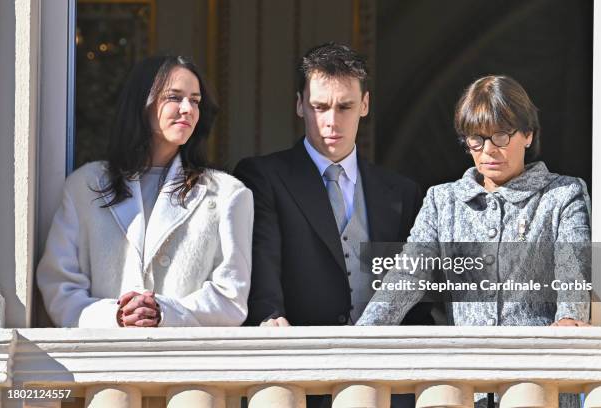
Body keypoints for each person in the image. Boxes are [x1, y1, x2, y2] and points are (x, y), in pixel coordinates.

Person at [357, 75, 590, 407]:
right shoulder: (443, 201)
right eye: (476, 140)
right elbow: (406, 276)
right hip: (466, 388)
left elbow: (573, 276)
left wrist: (569, 317)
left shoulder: (562, 195)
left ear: (528, 134)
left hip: (539, 386)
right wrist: (360, 336)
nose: (489, 150)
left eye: (500, 135)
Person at [37, 56, 253, 328]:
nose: (187, 109)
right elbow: (60, 285)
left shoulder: (227, 195)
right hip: (100, 363)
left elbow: (231, 298)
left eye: (195, 100)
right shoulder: (84, 185)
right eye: (174, 97)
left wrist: (164, 313)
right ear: (142, 103)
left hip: (186, 365)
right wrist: (114, 316)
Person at [234, 42, 433, 328]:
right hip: (299, 355)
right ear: (300, 105)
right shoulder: (263, 177)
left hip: (383, 361)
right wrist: (269, 317)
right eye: (320, 107)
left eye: (345, 107)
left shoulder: (402, 192)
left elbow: (414, 293)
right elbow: (263, 257)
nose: (331, 122)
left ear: (364, 104)